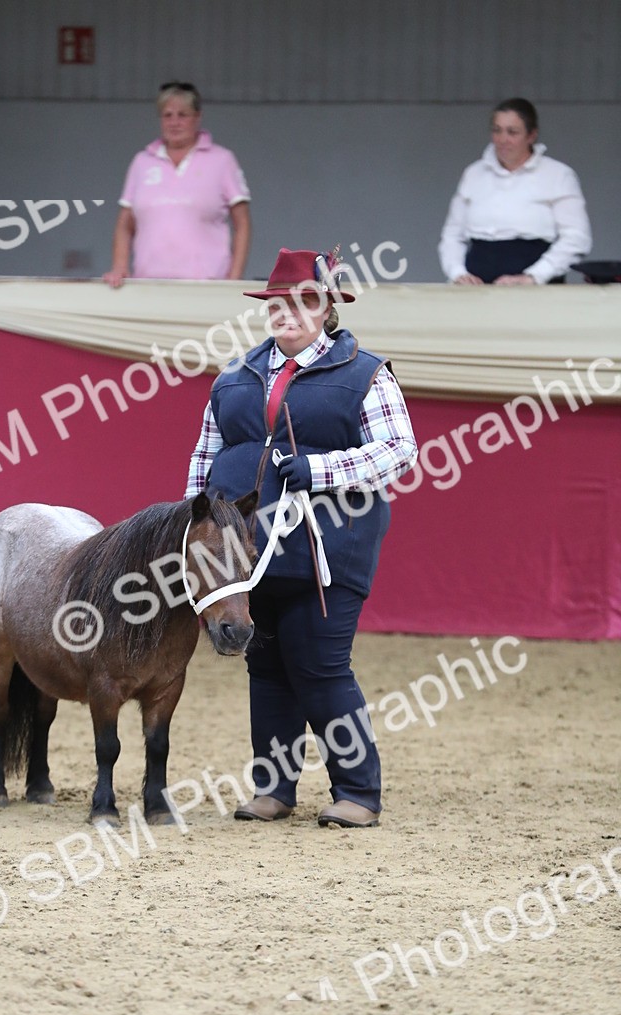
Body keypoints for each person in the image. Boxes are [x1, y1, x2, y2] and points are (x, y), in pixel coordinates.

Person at [184, 248, 418, 828]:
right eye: (277, 304)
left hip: (328, 545)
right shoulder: (236, 375)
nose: (287, 313)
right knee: (264, 668)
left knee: (319, 664)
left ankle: (358, 792)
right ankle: (274, 788)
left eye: (303, 302)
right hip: (247, 549)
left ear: (327, 307)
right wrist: (191, 525)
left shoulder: (365, 372)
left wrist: (321, 471)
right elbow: (205, 456)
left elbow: (398, 450)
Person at [103, 82, 251, 287]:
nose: (174, 122)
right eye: (167, 115)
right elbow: (124, 224)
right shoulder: (142, 161)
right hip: (147, 284)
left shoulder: (222, 160)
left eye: (183, 115)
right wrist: (120, 266)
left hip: (207, 286)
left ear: (197, 117)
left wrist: (233, 279)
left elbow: (242, 224)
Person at [438, 97, 591, 285]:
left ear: (531, 135)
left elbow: (576, 238)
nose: (503, 140)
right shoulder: (474, 174)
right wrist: (458, 272)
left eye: (513, 132)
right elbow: (452, 234)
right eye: (497, 130)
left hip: (537, 291)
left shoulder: (558, 175)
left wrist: (534, 276)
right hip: (477, 291)